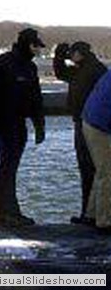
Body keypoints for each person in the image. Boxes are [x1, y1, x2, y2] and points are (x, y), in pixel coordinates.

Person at [0, 27, 46, 226]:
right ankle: (6, 211)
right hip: (5, 123)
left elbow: (36, 99)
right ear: (29, 44)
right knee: (7, 167)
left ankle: (2, 210)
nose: (39, 51)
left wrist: (39, 126)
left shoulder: (30, 67)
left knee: (9, 168)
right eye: (37, 47)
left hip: (19, 123)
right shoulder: (2, 63)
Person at [54, 41, 106, 224]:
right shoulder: (91, 68)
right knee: (93, 169)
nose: (70, 57)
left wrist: (60, 56)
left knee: (89, 169)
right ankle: (91, 213)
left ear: (79, 54)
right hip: (90, 122)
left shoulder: (89, 70)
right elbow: (61, 73)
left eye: (71, 53)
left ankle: (91, 213)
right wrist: (59, 57)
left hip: (89, 123)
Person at [81, 68, 111, 232]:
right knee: (107, 173)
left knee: (102, 171)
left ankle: (92, 214)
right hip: (99, 125)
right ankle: (104, 220)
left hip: (91, 120)